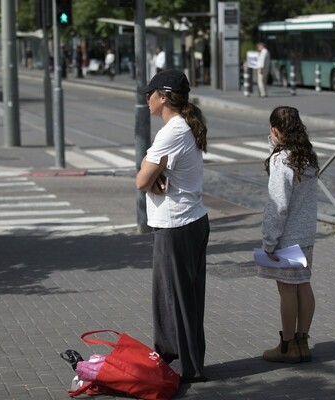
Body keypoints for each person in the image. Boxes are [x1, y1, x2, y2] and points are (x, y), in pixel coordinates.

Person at [135, 69, 210, 383]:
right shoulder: (182, 127)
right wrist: (155, 177)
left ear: (163, 97)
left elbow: (141, 179)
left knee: (171, 299)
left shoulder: (171, 133)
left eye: (150, 93)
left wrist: (152, 179)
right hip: (189, 221)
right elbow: (150, 175)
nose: (146, 98)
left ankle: (178, 367)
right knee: (186, 298)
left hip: (176, 225)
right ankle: (188, 363)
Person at [259, 106, 320, 363]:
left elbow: (278, 205)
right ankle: (302, 342)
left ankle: (286, 346)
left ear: (275, 129)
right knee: (303, 286)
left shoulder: (280, 159)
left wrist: (269, 241)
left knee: (287, 291)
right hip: (306, 234)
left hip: (286, 237)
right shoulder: (307, 155)